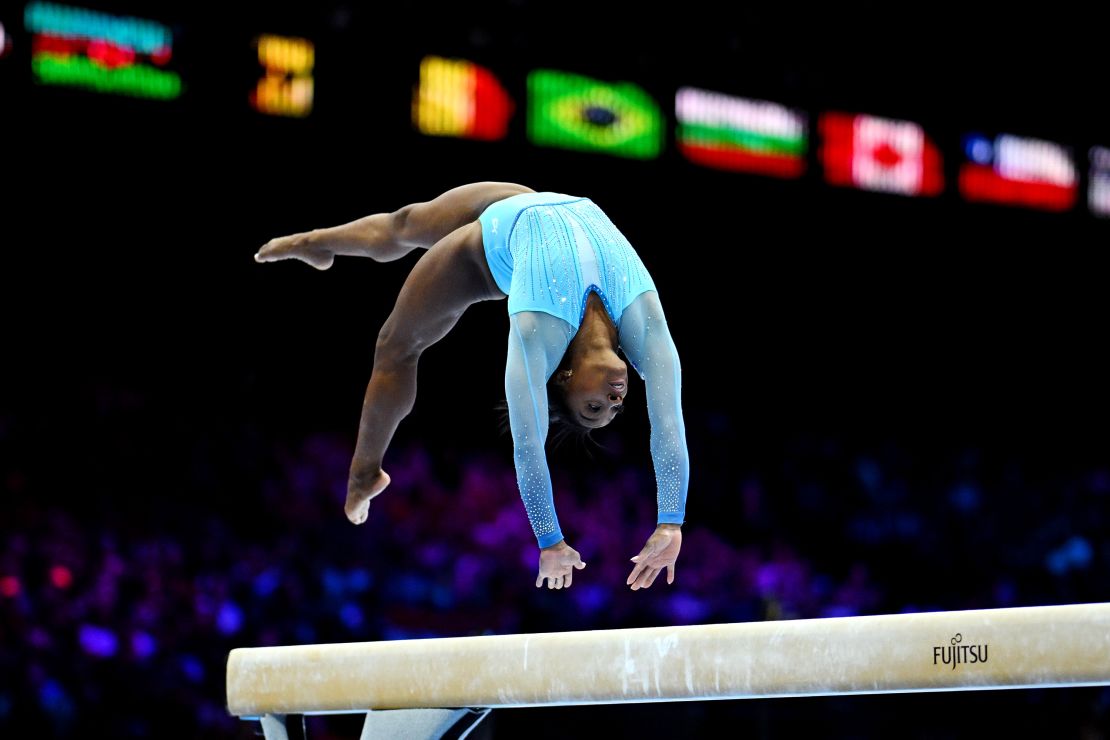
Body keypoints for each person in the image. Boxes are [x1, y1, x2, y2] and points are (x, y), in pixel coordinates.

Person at [255, 182, 687, 591]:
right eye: (615, 408)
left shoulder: (539, 332)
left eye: (595, 408)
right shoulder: (643, 326)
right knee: (403, 224)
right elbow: (668, 423)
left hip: (486, 251)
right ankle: (317, 242)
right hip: (526, 202)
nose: (615, 400)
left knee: (396, 345)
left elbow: (528, 444)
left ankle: (364, 472)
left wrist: (550, 540)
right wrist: (671, 521)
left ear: (565, 378)